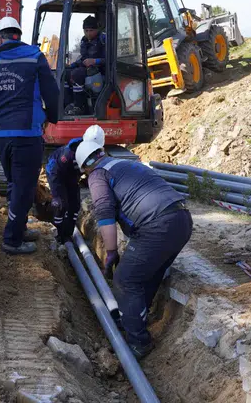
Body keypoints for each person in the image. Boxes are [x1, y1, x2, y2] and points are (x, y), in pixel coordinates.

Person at [74, 140, 193, 359]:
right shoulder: (123, 164)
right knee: (149, 275)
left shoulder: (97, 175)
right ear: (101, 152)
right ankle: (135, 318)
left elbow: (105, 215)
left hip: (157, 225)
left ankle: (139, 341)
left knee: (125, 280)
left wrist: (110, 252)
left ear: (85, 167)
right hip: (182, 220)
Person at [0, 17, 60, 255]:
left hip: (0, 134)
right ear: (17, 35)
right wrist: (51, 117)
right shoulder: (34, 56)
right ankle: (12, 240)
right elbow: (51, 93)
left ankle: (20, 228)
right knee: (24, 186)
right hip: (27, 132)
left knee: (15, 182)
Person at [45, 125, 105, 244]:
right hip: (57, 173)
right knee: (61, 204)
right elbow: (59, 172)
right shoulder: (69, 153)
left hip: (72, 174)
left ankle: (68, 235)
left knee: (74, 205)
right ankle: (57, 234)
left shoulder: (97, 152)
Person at [65, 15, 107, 116]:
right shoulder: (84, 41)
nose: (88, 33)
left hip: (100, 70)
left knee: (77, 74)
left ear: (97, 29)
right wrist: (70, 66)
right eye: (86, 30)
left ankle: (80, 106)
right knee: (65, 73)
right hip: (87, 69)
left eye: (91, 30)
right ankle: (68, 104)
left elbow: (111, 59)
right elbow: (83, 59)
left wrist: (95, 61)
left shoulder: (104, 39)